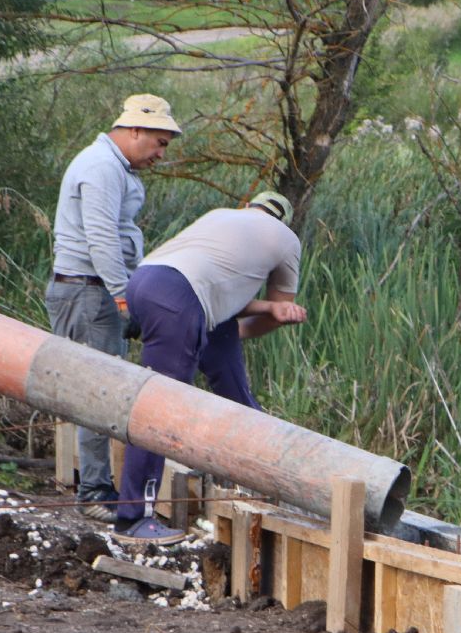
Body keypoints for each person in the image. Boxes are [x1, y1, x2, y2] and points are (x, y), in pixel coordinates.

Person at [111, 191, 305, 545]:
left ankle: (261, 468)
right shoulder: (286, 240)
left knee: (234, 390)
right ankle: (133, 518)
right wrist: (263, 318)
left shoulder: (222, 216)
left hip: (146, 282)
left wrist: (225, 326)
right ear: (283, 220)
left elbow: (217, 291)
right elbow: (281, 309)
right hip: (181, 300)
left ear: (250, 207)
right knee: (160, 408)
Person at [47, 94, 181, 522]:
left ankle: (96, 484)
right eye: (159, 142)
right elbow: (101, 238)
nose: (161, 154)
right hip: (89, 293)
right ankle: (94, 492)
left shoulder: (110, 167)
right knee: (97, 393)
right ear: (135, 130)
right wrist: (125, 296)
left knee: (99, 391)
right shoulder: (102, 167)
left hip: (92, 291)